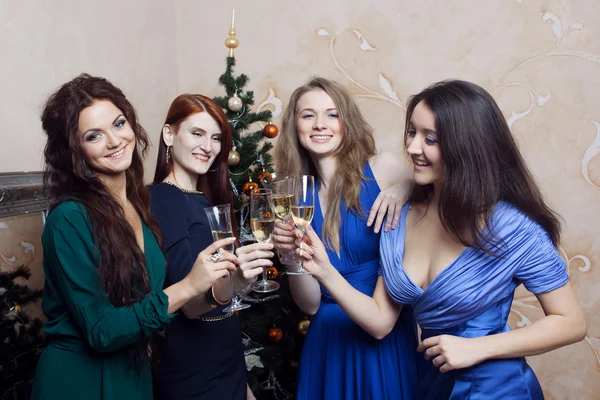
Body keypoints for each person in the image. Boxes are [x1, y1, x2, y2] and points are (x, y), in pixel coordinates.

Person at [295, 79, 587, 399]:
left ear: (466, 146)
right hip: (431, 383)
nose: (412, 148)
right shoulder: (399, 216)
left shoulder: (513, 227)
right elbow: (379, 320)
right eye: (411, 133)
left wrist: (478, 348)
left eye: (429, 138)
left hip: (495, 388)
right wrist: (322, 269)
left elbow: (571, 322)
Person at [32, 74, 237, 400]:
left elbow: (146, 304)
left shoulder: (139, 205)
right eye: (94, 135)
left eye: (119, 123)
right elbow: (101, 331)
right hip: (81, 381)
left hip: (135, 373)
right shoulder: (69, 218)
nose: (114, 141)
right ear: (73, 150)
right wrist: (188, 286)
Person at [272, 77, 420, 399]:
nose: (319, 124)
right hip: (327, 341)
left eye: (332, 114)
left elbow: (431, 189)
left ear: (347, 122)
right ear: (295, 126)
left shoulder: (384, 169)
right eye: (308, 115)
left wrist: (403, 187)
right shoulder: (296, 198)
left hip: (382, 339)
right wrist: (288, 258)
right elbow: (311, 303)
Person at [150, 94, 273, 400]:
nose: (208, 146)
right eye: (197, 133)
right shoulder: (164, 199)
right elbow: (190, 304)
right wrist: (237, 281)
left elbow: (218, 303)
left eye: (216, 138)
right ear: (169, 134)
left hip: (224, 358)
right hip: (194, 367)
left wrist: (242, 386)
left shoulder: (202, 200)